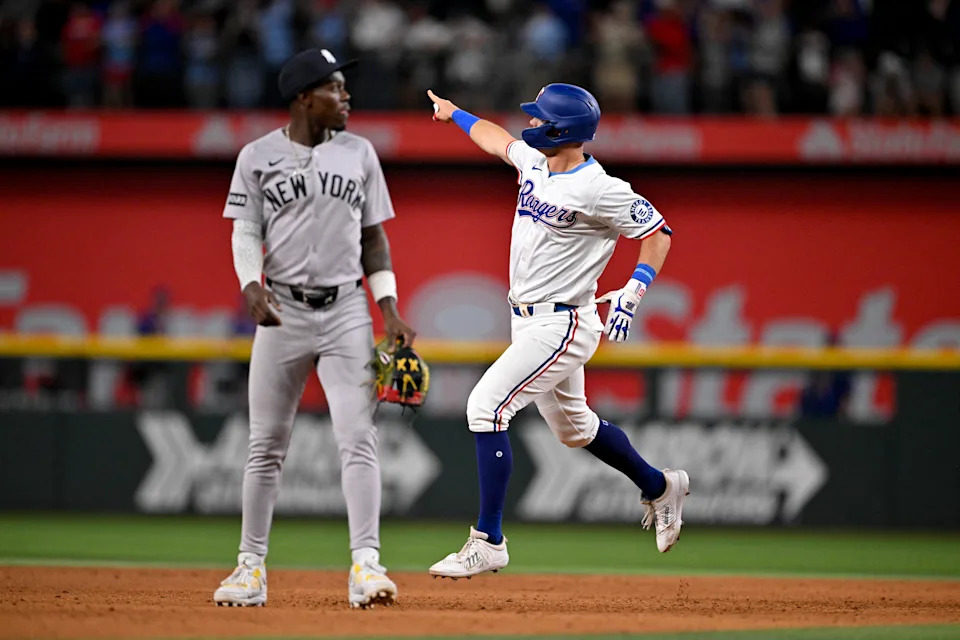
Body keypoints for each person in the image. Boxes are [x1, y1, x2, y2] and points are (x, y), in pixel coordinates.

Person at [425, 84, 690, 578]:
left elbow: (658, 234)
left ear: (561, 131)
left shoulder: (600, 188)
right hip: (524, 318)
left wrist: (634, 291)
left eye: (539, 119)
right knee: (574, 429)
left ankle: (489, 540)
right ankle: (659, 486)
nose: (530, 125)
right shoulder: (536, 162)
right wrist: (455, 113)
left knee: (486, 407)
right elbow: (496, 139)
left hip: (562, 322)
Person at [213, 48, 416, 609]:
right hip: (284, 311)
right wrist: (250, 284)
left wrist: (390, 308)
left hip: (348, 309)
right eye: (336, 88)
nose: (346, 97)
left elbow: (374, 239)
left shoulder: (360, 153)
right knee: (265, 446)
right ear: (305, 96)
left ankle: (366, 566)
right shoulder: (257, 156)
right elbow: (245, 231)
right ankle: (249, 569)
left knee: (359, 439)